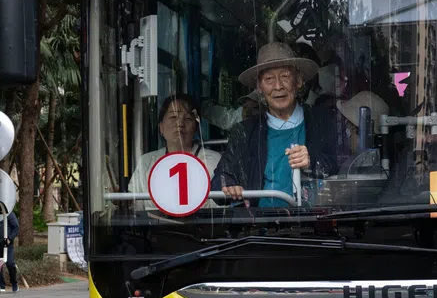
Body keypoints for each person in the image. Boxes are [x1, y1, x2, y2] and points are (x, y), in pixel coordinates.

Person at [213, 42, 341, 206]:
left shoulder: (323, 120)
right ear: (260, 87)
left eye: (285, 76)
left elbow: (342, 165)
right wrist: (229, 186)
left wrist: (312, 161)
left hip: (313, 221)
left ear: (299, 81)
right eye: (269, 79)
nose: (278, 86)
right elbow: (221, 178)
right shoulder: (245, 131)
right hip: (261, 223)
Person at [128, 94, 222, 207]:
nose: (180, 124)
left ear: (196, 128)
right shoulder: (146, 162)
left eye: (188, 118)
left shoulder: (214, 161)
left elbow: (219, 210)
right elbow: (135, 206)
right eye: (173, 117)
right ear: (161, 127)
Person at [0, 210, 20, 292]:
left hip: (7, 245)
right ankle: (1, 285)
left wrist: (10, 238)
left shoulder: (9, 213)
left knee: (10, 263)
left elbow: (16, 227)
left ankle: (14, 283)